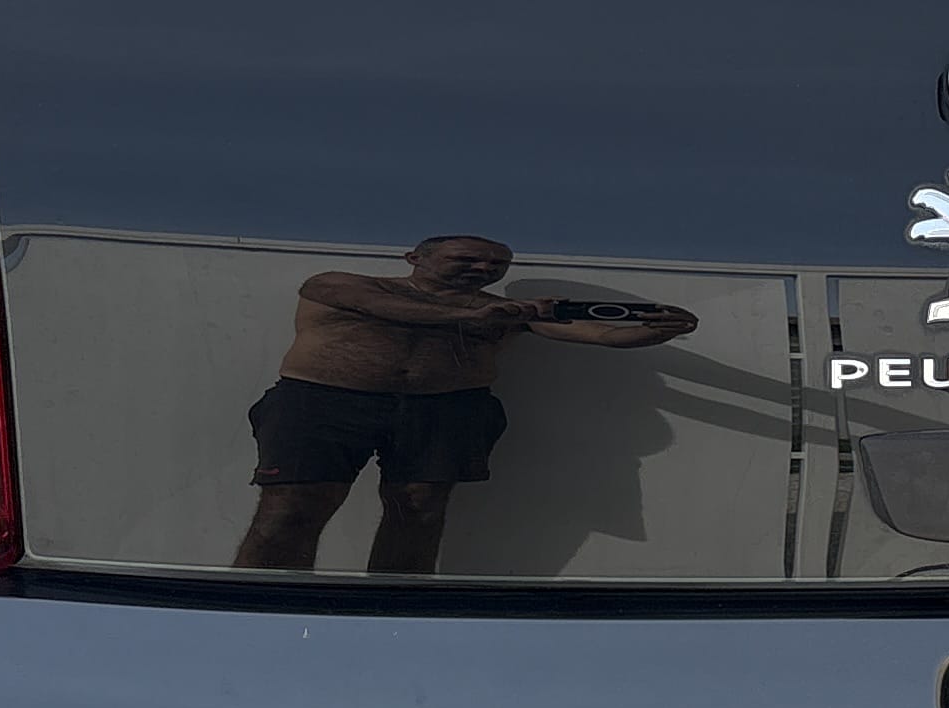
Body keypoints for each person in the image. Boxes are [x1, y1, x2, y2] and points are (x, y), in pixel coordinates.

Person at [233, 235, 694, 574]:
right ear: (415, 257)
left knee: (419, 510)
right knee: (293, 506)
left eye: (496, 264)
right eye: (467, 258)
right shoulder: (340, 283)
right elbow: (393, 310)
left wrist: (660, 330)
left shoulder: (507, 312)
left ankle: (394, 611)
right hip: (323, 401)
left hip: (446, 408)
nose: (483, 268)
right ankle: (259, 606)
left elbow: (604, 336)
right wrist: (474, 316)